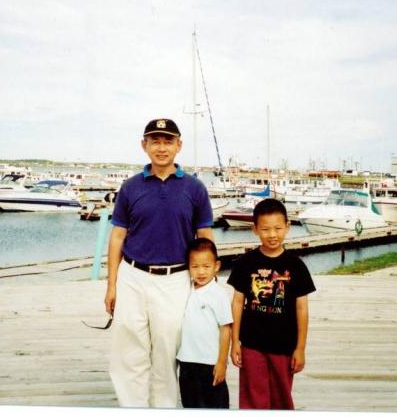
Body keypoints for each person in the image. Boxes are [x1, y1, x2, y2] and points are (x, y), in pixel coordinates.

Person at [105, 118, 215, 408]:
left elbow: (205, 236)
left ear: (179, 146)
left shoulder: (195, 188)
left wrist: (209, 283)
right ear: (144, 145)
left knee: (167, 352)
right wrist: (111, 285)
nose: (162, 147)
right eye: (155, 141)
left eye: (168, 141)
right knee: (129, 352)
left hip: (176, 279)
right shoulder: (130, 187)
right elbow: (117, 237)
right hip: (132, 276)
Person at [227, 198, 316, 409]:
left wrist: (300, 348)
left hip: (284, 345)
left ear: (288, 226)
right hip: (251, 344)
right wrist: (234, 342)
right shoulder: (245, 263)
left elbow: (302, 309)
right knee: (253, 397)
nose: (272, 234)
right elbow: (237, 303)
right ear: (255, 229)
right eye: (265, 229)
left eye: (278, 228)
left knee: (281, 398)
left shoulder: (296, 266)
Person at [176, 237, 232, 409]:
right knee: (190, 405)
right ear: (188, 267)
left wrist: (222, 362)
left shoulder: (219, 294)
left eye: (206, 266)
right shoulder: (185, 289)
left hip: (210, 363)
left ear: (216, 266)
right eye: (195, 266)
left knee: (215, 406)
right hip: (186, 361)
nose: (201, 272)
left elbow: (225, 329)